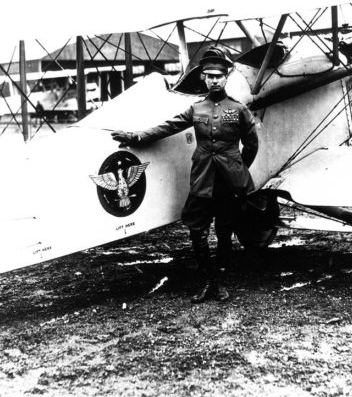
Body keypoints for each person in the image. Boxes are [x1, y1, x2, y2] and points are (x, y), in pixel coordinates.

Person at [111, 46, 259, 303]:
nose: (214, 80)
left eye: (219, 76)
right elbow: (168, 127)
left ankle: (220, 282)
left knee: (225, 231)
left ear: (226, 78)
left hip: (229, 182)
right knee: (197, 230)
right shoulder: (196, 109)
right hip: (203, 179)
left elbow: (252, 144)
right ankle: (210, 282)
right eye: (209, 75)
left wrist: (239, 169)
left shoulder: (238, 109)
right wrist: (136, 136)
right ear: (203, 77)